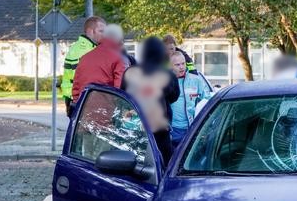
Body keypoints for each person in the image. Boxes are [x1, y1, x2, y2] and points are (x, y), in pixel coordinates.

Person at [121, 37, 180, 165]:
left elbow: (122, 97)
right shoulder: (167, 74)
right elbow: (174, 96)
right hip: (160, 129)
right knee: (164, 164)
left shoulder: (130, 72)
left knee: (135, 164)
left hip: (135, 127)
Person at [62, 16, 106, 117]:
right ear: (90, 31)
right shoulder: (84, 50)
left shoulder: (88, 47)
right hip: (81, 100)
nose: (104, 35)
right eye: (101, 31)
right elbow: (91, 78)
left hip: (78, 99)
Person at [72, 24, 127, 103]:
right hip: (106, 108)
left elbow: (76, 86)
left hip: (84, 108)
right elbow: (120, 89)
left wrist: (77, 105)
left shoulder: (84, 57)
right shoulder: (120, 58)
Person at [168, 51, 209, 147]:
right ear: (170, 66)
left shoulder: (196, 80)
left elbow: (207, 99)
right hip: (172, 131)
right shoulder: (165, 82)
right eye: (177, 65)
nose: (181, 67)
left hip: (191, 129)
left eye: (183, 63)